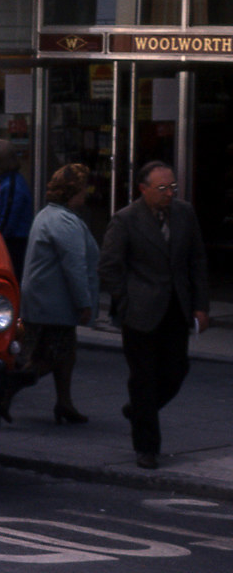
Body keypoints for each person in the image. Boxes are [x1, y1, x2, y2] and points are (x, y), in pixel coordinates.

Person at [98, 160, 209, 470]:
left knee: (176, 370)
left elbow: (197, 261)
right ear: (143, 189)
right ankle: (147, 447)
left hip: (176, 308)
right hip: (140, 313)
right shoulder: (125, 220)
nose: (169, 194)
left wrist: (201, 306)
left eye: (172, 187)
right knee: (143, 378)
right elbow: (109, 266)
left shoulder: (185, 214)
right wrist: (125, 301)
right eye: (162, 189)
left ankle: (138, 410)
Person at [8, 163, 99, 425]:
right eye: (84, 188)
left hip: (44, 300)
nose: (87, 193)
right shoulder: (63, 221)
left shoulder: (49, 215)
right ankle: (6, 393)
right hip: (52, 303)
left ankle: (64, 402)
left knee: (63, 353)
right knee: (48, 357)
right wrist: (84, 302)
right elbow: (75, 265)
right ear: (73, 191)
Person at [0, 139, 33, 279]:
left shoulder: (12, 185)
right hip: (10, 237)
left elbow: (7, 218)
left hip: (13, 240)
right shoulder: (5, 181)